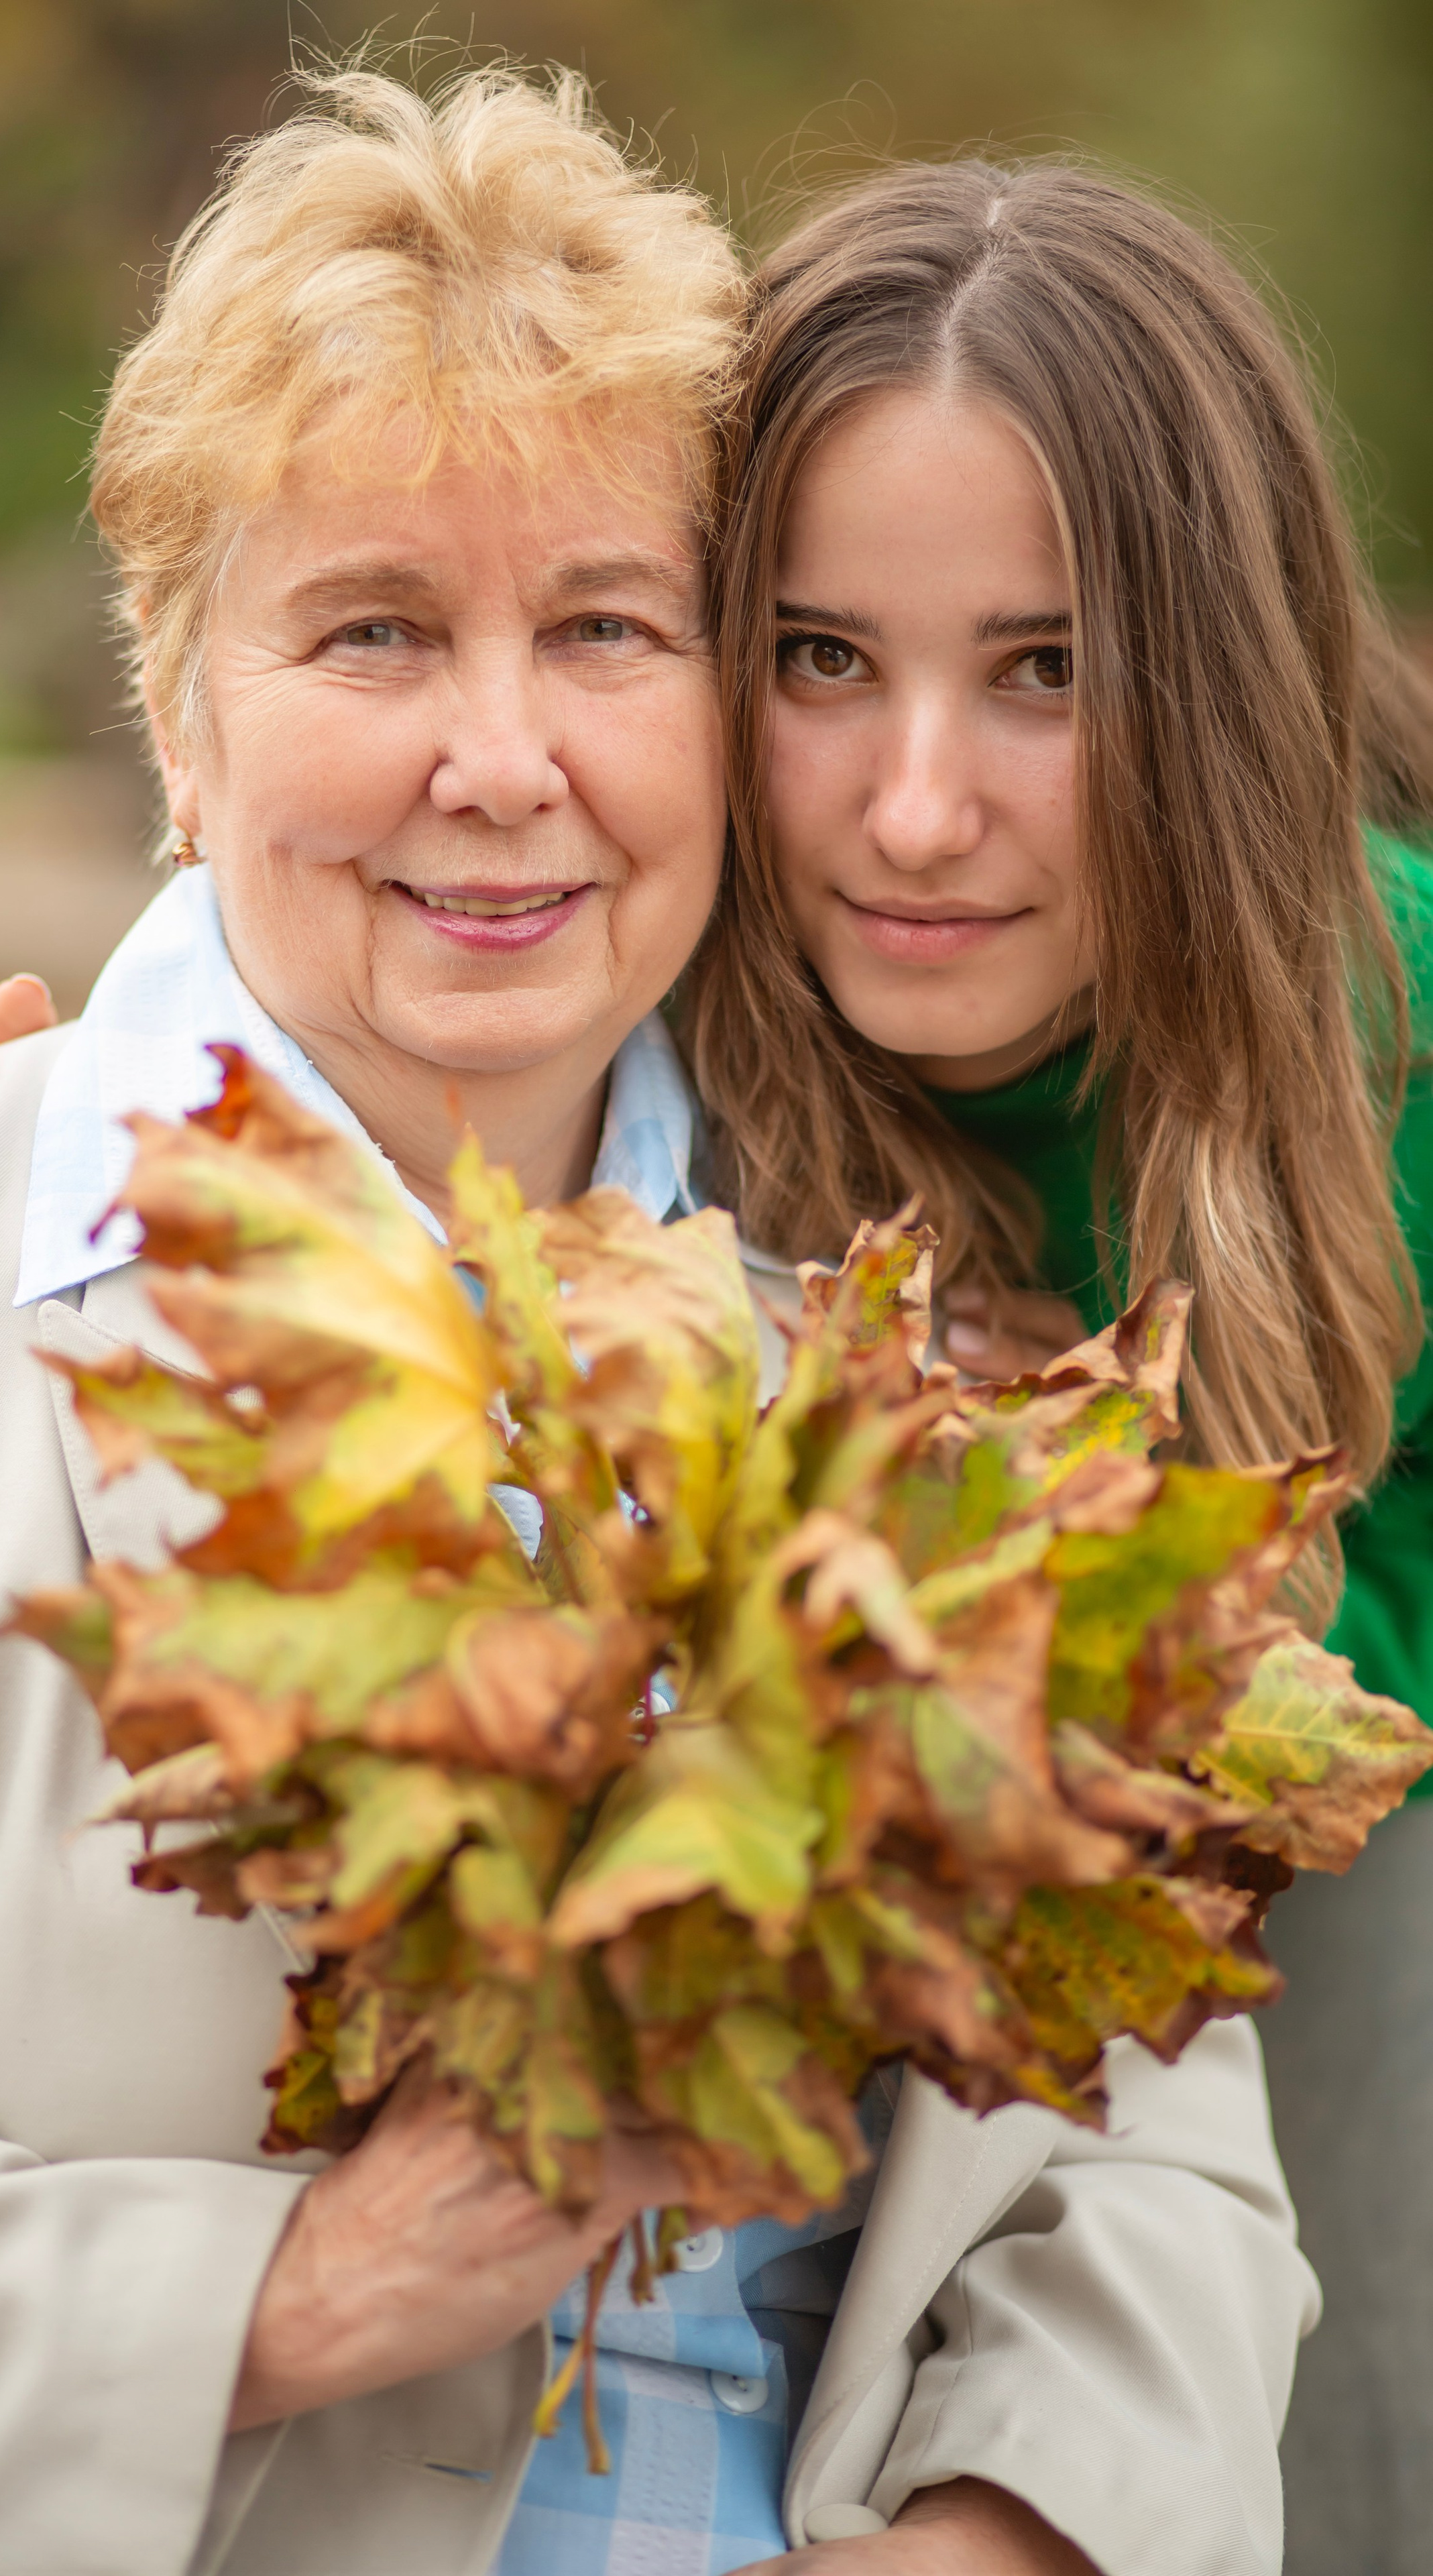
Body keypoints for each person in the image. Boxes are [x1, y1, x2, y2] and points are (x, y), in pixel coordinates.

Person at [0, 82, 1312, 2576]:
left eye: (603, 626)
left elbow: (1165, 2206)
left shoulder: (923, 1352)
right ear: (177, 698)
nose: (503, 758)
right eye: (373, 628)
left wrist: (1000, 2541)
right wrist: (287, 2288)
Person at [679, 160, 1433, 2575]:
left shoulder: (1394, 1027)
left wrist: (1172, 1560)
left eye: (1047, 669)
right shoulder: (616, 965)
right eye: (819, 660)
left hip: (1330, 1875)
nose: (918, 810)